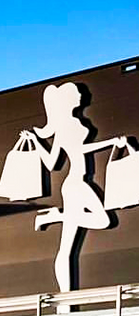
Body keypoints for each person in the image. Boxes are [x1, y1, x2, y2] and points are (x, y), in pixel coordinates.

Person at [25, 81, 126, 292]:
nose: (82, 95)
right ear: (69, 99)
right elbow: (59, 159)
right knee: (68, 248)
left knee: (102, 221)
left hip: (78, 182)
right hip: (74, 185)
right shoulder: (68, 125)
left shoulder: (71, 124)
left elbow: (57, 160)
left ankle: (54, 216)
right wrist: (35, 140)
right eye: (78, 93)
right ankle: (65, 302)